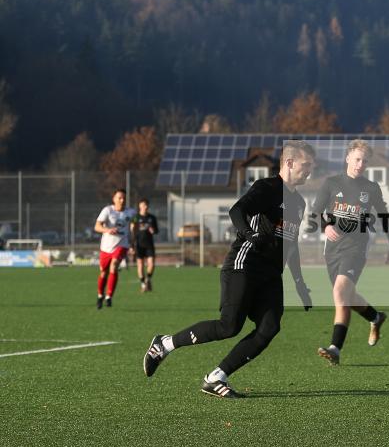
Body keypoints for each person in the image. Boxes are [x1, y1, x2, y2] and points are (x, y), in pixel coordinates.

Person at [142, 140, 315, 398]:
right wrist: (250, 235)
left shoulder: (299, 203)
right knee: (229, 326)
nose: (309, 170)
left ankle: (216, 377)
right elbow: (237, 211)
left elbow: (291, 244)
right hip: (244, 264)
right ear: (289, 163)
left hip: (270, 275)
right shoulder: (267, 188)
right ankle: (164, 344)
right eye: (306, 165)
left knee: (269, 328)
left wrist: (300, 283)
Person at [310, 139, 389, 365]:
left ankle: (335, 348)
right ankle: (376, 318)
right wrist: (326, 226)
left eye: (364, 161)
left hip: (357, 247)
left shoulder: (371, 188)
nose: (360, 164)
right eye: (357, 159)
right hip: (332, 249)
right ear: (347, 158)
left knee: (340, 293)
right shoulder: (331, 183)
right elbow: (316, 212)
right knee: (347, 296)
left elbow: (385, 216)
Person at [94, 189, 135, 309]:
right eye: (119, 198)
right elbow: (97, 226)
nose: (122, 200)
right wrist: (107, 230)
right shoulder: (107, 210)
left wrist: (133, 242)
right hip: (106, 247)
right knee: (103, 272)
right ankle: (100, 295)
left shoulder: (131, 212)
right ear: (114, 199)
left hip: (122, 244)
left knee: (114, 265)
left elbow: (134, 226)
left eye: (124, 198)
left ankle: (109, 296)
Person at [130, 198, 158, 293]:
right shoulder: (135, 217)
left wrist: (153, 230)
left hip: (149, 245)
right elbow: (132, 232)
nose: (145, 207)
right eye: (143, 205)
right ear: (139, 206)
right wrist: (131, 246)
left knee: (151, 264)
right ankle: (143, 284)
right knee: (140, 265)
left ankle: (148, 279)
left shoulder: (152, 218)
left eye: (146, 205)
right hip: (139, 245)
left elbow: (156, 231)